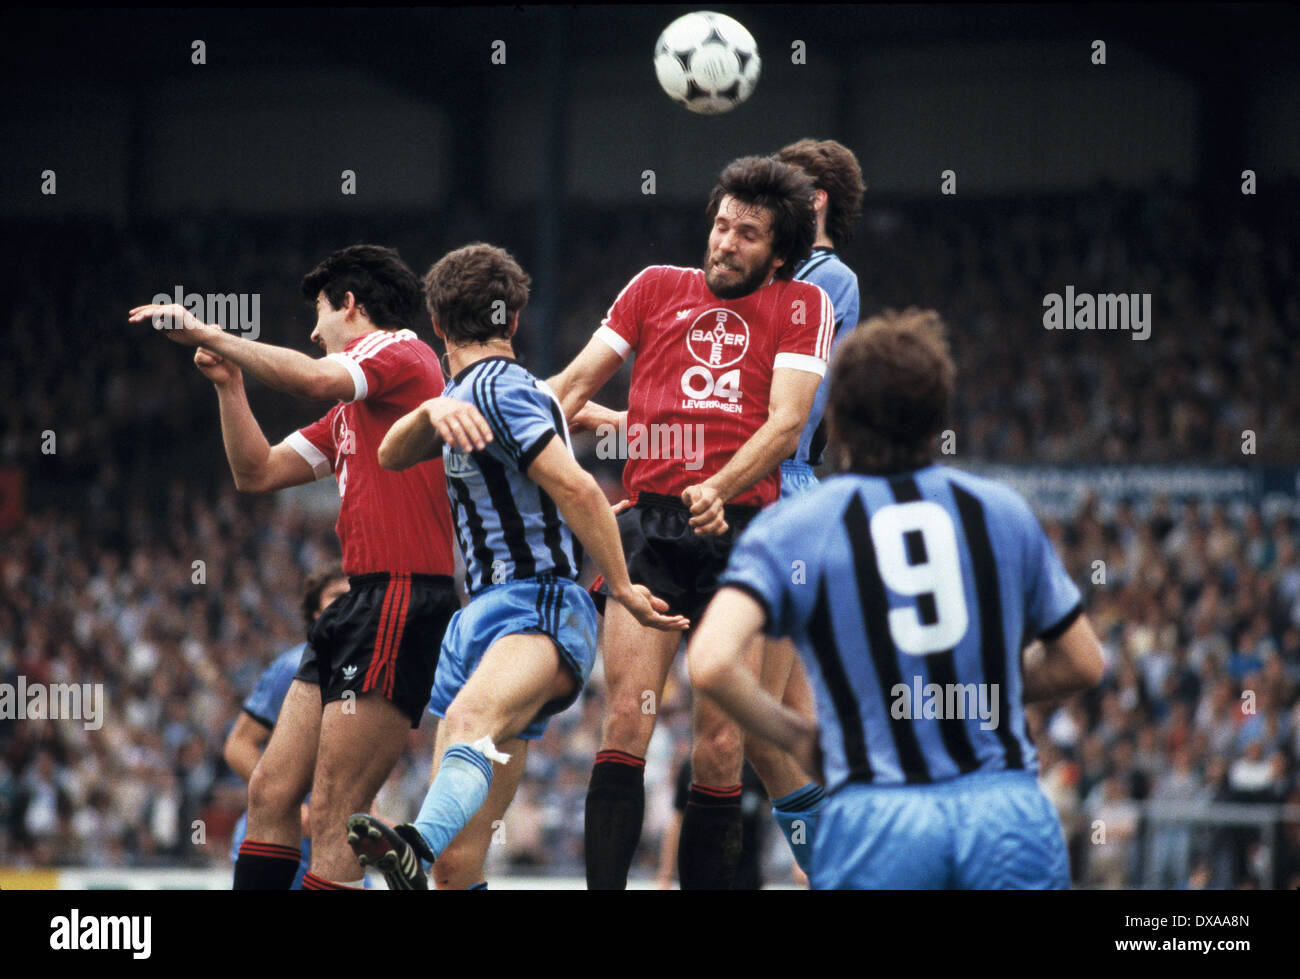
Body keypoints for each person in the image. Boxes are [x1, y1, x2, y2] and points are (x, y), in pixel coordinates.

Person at [687, 308, 1105, 888]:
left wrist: (801, 737)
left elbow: (709, 662)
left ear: (835, 417)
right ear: (938, 418)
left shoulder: (796, 527)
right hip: (1005, 815)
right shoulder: (1000, 511)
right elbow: (1083, 660)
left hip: (877, 819)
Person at [344, 243, 687, 890]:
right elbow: (391, 453)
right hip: (483, 620)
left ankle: (411, 841)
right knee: (459, 865)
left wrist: (622, 588)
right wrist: (428, 407)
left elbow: (581, 490)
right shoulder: (479, 394)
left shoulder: (498, 391)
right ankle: (428, 850)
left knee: (471, 724)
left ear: (437, 325)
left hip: (537, 609)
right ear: (516, 318)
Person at [129, 244, 465, 890]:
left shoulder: (403, 352)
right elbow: (256, 471)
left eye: (319, 314)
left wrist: (209, 330)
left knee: (337, 809)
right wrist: (230, 385)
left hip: (402, 596)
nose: (313, 332)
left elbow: (313, 376)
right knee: (272, 789)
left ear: (351, 305)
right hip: (356, 606)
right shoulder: (350, 414)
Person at [547, 155, 833, 889]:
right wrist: (485, 403)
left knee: (720, 742)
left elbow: (788, 421)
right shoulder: (653, 287)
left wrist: (721, 482)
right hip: (647, 529)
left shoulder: (802, 306)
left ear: (778, 251)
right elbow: (574, 384)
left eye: (747, 233)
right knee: (626, 723)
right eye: (720, 224)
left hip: (747, 535)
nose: (725, 241)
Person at [740, 137, 866, 877]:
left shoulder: (827, 280)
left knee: (749, 720)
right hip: (759, 488)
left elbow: (791, 406)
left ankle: (846, 864)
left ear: (813, 202)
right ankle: (840, 867)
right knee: (778, 729)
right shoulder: (772, 273)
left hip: (778, 490)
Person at [223, 566, 349, 888]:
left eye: (354, 597)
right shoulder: (295, 667)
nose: (347, 604)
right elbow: (238, 745)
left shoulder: (370, 674)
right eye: (336, 597)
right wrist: (291, 806)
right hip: (278, 845)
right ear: (316, 611)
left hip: (334, 847)